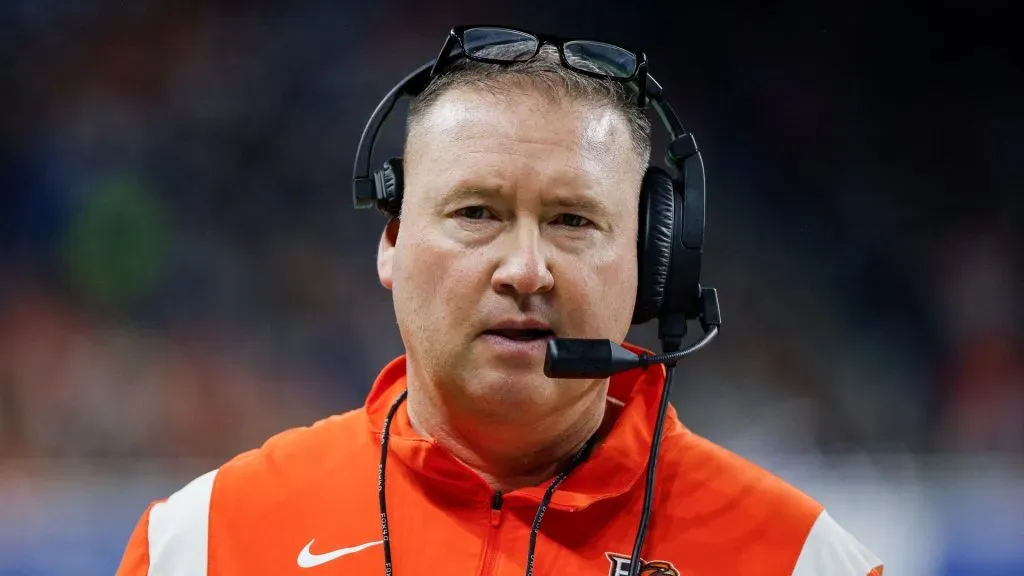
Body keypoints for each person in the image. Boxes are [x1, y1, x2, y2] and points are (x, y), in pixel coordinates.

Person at [116, 25, 884, 576]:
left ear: (653, 270)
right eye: (476, 213)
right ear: (391, 242)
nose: (525, 269)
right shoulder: (201, 545)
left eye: (573, 221)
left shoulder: (803, 562)